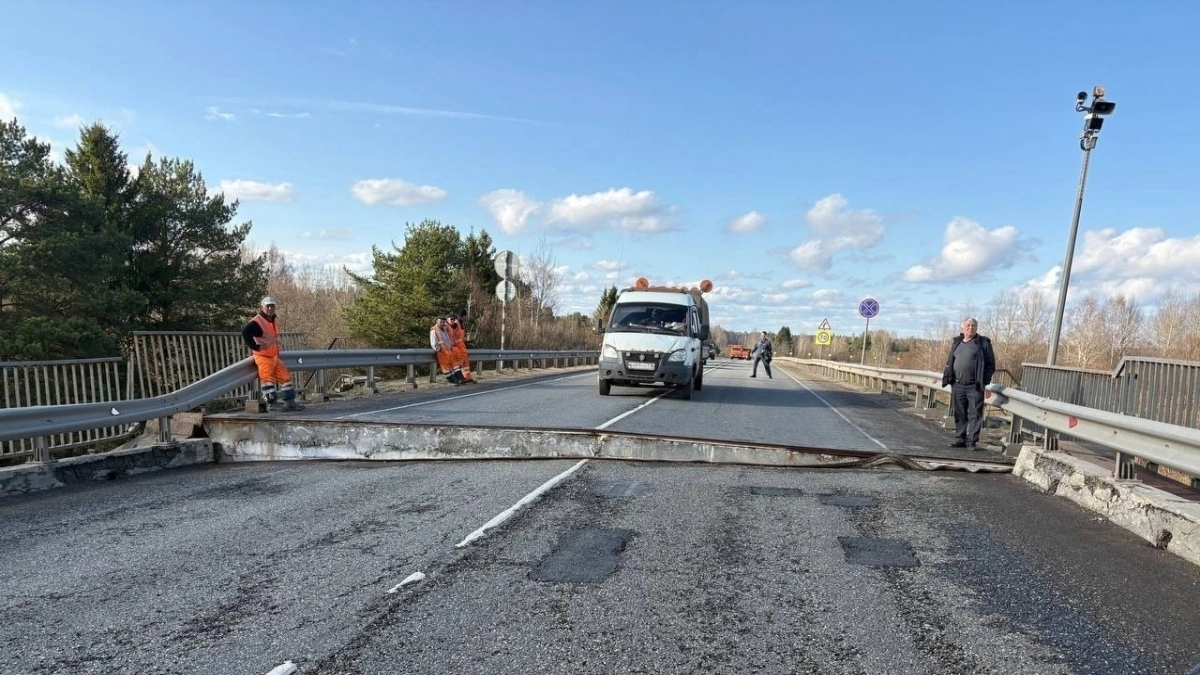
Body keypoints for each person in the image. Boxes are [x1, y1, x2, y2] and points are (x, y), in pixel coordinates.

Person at [941, 317, 997, 450]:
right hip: (958, 384)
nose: (970, 328)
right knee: (960, 413)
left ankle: (971, 441)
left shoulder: (983, 343)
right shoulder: (957, 342)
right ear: (963, 327)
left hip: (974, 385)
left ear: (976, 328)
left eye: (973, 326)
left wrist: (984, 380)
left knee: (975, 414)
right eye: (968, 325)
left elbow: (991, 364)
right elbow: (951, 360)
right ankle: (960, 439)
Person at [241, 296, 304, 412]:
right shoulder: (257, 321)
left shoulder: (272, 319)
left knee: (285, 378)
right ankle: (272, 404)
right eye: (268, 306)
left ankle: (290, 402)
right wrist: (256, 347)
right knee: (267, 381)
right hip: (263, 356)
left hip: (273, 356)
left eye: (272, 306)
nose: (270, 308)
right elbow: (245, 333)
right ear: (263, 307)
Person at [430, 316, 464, 385]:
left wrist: (450, 347)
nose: (442, 323)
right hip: (442, 352)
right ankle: (451, 381)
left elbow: (447, 339)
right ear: (437, 322)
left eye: (443, 322)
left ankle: (458, 379)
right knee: (446, 368)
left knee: (454, 366)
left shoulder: (444, 329)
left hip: (448, 351)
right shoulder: (434, 330)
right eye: (441, 322)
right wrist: (439, 349)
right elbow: (433, 343)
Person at [448, 311, 476, 383]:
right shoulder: (456, 323)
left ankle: (466, 377)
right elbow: (450, 331)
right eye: (465, 316)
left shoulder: (461, 323)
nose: (465, 318)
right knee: (459, 363)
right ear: (463, 316)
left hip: (461, 346)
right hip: (457, 346)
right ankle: (459, 378)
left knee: (464, 363)